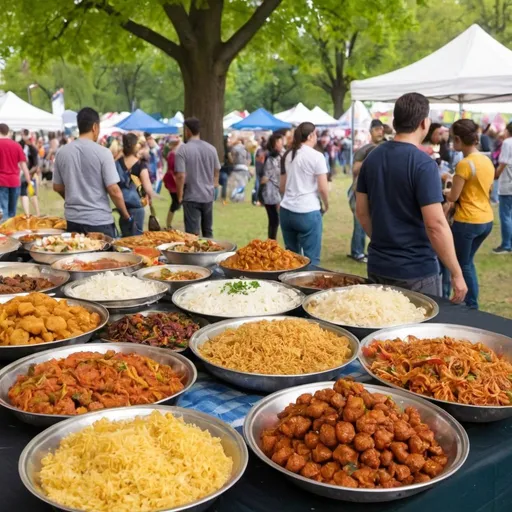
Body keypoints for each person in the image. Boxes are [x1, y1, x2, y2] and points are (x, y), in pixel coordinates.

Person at [355, 92, 467, 302]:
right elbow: (435, 225)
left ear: (395, 122)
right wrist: (457, 272)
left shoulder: (372, 158)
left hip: (379, 263)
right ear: (425, 123)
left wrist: (382, 240)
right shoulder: (423, 164)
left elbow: (361, 212)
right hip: (416, 271)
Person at [53, 107, 132, 237]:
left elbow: (57, 187)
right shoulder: (103, 153)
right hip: (99, 222)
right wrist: (126, 215)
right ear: (95, 127)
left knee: (77, 256)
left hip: (73, 221)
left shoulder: (62, 152)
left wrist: (73, 197)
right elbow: (114, 190)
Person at [443, 119, 494, 309]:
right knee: (468, 262)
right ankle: (470, 302)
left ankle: (470, 304)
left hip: (467, 222)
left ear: (457, 139)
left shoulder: (464, 164)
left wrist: (446, 191)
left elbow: (453, 196)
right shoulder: (486, 160)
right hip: (486, 219)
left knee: (461, 265)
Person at [280, 122, 329, 265]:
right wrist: (326, 204)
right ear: (310, 136)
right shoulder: (317, 156)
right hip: (307, 210)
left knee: (290, 259)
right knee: (311, 259)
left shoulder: (288, 154)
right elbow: (323, 188)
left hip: (286, 210)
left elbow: (282, 187)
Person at [174, 117, 220, 237]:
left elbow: (180, 175)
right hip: (207, 195)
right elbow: (217, 170)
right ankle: (211, 254)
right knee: (208, 231)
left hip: (191, 196)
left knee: (192, 234)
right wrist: (214, 185)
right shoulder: (211, 149)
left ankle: (194, 255)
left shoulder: (182, 150)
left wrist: (179, 195)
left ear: (187, 130)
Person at [348, 119, 384, 263]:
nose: (380, 132)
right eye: (376, 129)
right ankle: (357, 252)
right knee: (359, 222)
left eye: (381, 129)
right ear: (370, 132)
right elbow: (355, 169)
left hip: (376, 192)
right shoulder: (365, 149)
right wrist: (371, 157)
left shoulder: (386, 147)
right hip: (360, 191)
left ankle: (369, 251)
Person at [115, 133, 154, 236]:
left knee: (125, 237)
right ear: (135, 145)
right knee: (136, 238)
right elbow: (147, 187)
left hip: (122, 205)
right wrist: (151, 196)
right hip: (137, 205)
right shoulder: (140, 164)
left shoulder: (117, 163)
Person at [0, 124, 31, 221]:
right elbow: (23, 165)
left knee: (3, 209)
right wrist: (29, 180)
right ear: (8, 132)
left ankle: (3, 233)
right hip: (14, 181)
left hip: (1, 181)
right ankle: (10, 230)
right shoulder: (17, 146)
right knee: (12, 211)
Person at [260, 133, 284, 240]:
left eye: (281, 141)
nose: (281, 143)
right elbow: (265, 177)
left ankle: (272, 241)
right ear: (274, 144)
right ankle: (271, 242)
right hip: (270, 192)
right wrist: (259, 191)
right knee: (274, 219)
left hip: (278, 191)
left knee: (276, 219)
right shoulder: (271, 158)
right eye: (279, 141)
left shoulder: (282, 155)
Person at [493, 122, 512, 254]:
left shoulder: (507, 143)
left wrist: (495, 174)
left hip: (507, 183)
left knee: (505, 216)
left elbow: (503, 162)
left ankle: (506, 245)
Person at [19, 129, 40, 216]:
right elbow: (36, 165)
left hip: (22, 173)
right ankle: (37, 213)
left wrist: (24, 172)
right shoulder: (33, 148)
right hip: (30, 174)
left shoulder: (19, 145)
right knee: (32, 194)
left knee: (24, 194)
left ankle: (27, 214)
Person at [163, 138, 182, 228]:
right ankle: (168, 224)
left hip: (172, 180)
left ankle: (168, 223)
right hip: (173, 180)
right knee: (175, 202)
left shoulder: (172, 154)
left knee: (176, 202)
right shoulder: (173, 155)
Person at [229, 137, 251, 202]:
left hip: (236, 167)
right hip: (244, 168)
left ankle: (235, 197)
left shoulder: (234, 148)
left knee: (236, 184)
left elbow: (232, 159)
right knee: (242, 184)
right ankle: (240, 198)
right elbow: (249, 160)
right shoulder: (246, 149)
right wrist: (246, 165)